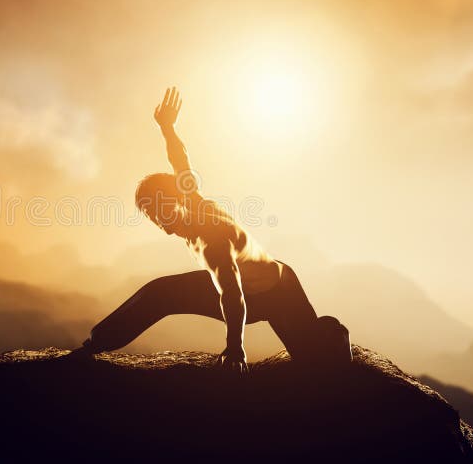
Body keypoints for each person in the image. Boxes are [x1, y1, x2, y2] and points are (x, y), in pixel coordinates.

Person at [73, 87, 351, 372]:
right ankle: (93, 345)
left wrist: (235, 347)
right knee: (160, 293)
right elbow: (180, 159)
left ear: (178, 200)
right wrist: (167, 128)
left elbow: (232, 293)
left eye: (163, 209)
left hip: (277, 292)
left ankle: (333, 332)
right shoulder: (190, 196)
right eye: (152, 213)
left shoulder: (210, 238)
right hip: (248, 283)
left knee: (314, 360)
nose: (160, 218)